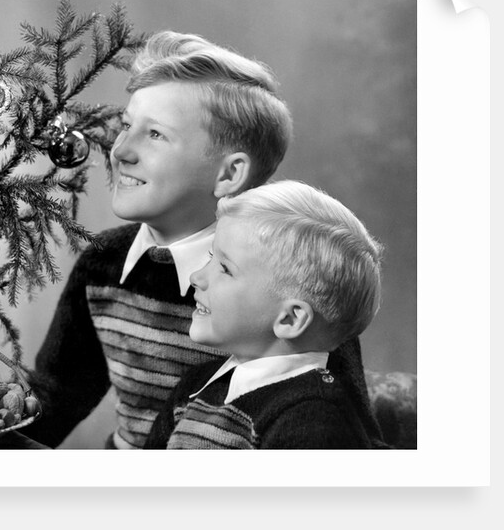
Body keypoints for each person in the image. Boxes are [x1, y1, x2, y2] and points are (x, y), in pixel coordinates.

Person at [24, 31, 374, 449]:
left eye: (156, 135)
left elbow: (343, 437)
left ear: (229, 174)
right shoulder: (102, 264)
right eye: (127, 126)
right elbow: (55, 400)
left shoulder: (293, 280)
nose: (119, 151)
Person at [144, 180, 383, 449]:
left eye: (225, 268)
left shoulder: (314, 421)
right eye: (210, 256)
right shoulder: (195, 385)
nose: (196, 277)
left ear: (290, 319)